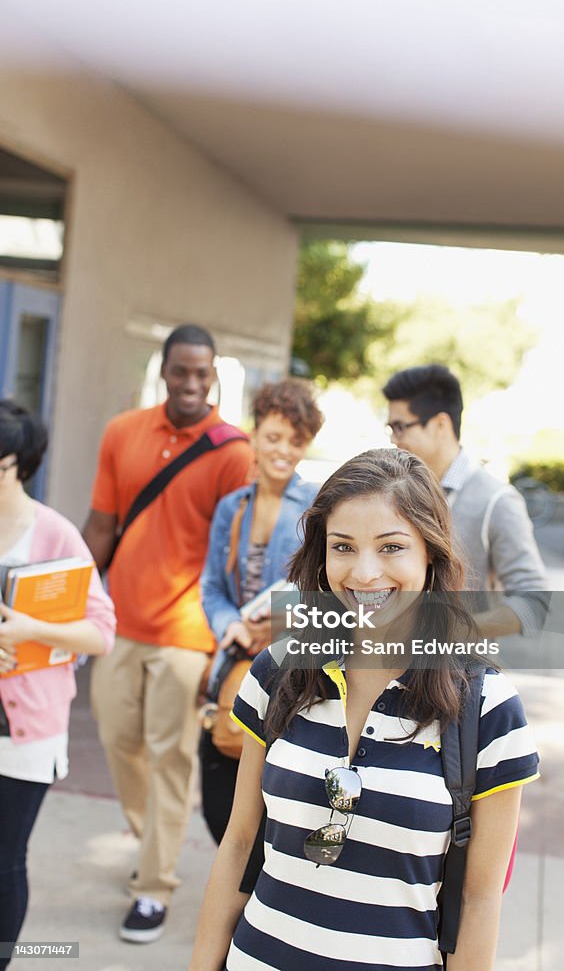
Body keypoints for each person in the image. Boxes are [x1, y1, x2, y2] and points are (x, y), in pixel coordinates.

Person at [189, 448, 540, 971]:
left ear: (431, 555)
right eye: (344, 547)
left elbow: (480, 899)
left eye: (391, 547)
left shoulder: (488, 707)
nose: (365, 572)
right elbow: (240, 842)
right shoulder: (280, 671)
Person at [83, 324, 253, 943]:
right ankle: (150, 833)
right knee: (116, 733)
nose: (189, 383)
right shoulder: (122, 432)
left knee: (170, 755)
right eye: (179, 371)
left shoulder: (234, 452)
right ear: (163, 370)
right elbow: (102, 526)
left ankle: (153, 886)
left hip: (187, 633)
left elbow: (239, 553)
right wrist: (68, 601)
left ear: (213, 376)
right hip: (122, 622)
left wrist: (235, 632)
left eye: (200, 373)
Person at [0, 401, 115, 969]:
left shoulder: (54, 534)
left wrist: (29, 629)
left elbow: (101, 632)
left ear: (16, 465)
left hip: (25, 728)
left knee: (4, 857)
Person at [199, 378, 324, 846]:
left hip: (292, 672)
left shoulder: (318, 510)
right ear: (254, 434)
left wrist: (286, 617)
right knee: (218, 799)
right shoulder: (233, 508)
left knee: (278, 800)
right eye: (273, 437)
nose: (283, 451)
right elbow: (211, 584)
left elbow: (332, 590)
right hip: (233, 665)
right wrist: (229, 623)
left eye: (296, 441)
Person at [383, 364, 549, 638]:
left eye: (400, 427)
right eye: (391, 428)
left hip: (459, 673)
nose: (394, 439)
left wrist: (454, 633)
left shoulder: (497, 500)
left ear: (440, 424)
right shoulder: (396, 489)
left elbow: (534, 601)